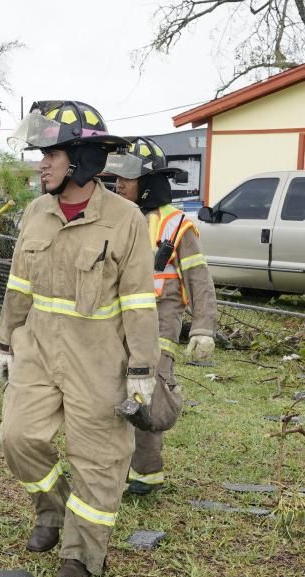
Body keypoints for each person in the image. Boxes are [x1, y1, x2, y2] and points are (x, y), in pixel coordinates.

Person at [0, 101, 159, 577]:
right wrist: (7, 343)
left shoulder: (125, 219)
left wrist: (142, 370)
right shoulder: (36, 212)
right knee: (17, 437)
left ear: (83, 160)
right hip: (38, 350)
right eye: (41, 153)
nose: (42, 163)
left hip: (99, 357)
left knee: (100, 458)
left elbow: (137, 300)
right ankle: (51, 511)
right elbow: (18, 286)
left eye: (52, 153)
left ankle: (83, 554)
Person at [105, 136, 218, 495]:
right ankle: (119, 465)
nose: (118, 184)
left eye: (127, 178)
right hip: (117, 321)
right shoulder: (118, 218)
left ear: (149, 182)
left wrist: (203, 328)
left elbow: (199, 278)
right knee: (113, 390)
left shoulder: (176, 225)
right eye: (117, 178)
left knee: (147, 393)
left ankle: (146, 473)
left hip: (159, 323)